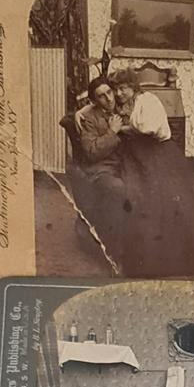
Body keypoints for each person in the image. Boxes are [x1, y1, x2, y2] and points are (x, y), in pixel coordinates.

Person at [110, 73, 194, 277]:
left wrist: (122, 128)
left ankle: (190, 253)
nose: (118, 93)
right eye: (116, 89)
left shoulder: (148, 100)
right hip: (138, 154)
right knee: (139, 197)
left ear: (133, 86)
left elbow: (148, 129)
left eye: (123, 88)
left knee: (171, 199)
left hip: (157, 152)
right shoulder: (125, 104)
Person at [66, 78, 130, 257]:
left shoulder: (123, 106)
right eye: (101, 96)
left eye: (109, 92)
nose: (108, 99)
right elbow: (91, 152)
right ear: (94, 101)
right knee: (117, 188)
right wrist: (112, 132)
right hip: (102, 169)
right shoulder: (89, 118)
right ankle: (114, 251)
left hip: (126, 165)